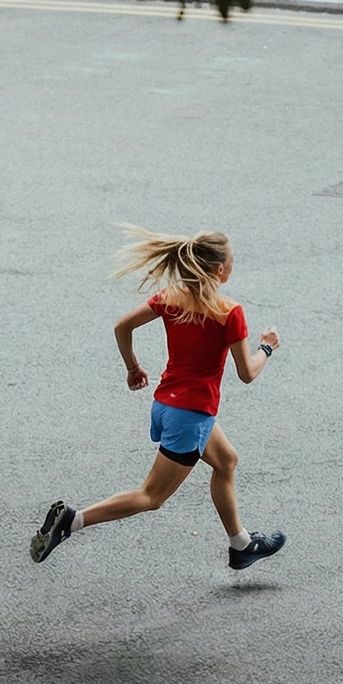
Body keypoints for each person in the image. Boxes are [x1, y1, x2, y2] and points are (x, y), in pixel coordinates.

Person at [30, 225, 288, 571]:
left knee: (226, 461)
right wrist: (267, 347)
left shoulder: (171, 297)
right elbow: (247, 372)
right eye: (232, 262)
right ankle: (73, 521)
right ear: (219, 271)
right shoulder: (229, 312)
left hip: (167, 405)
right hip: (191, 414)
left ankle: (241, 545)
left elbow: (122, 326)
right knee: (151, 497)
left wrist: (133, 368)